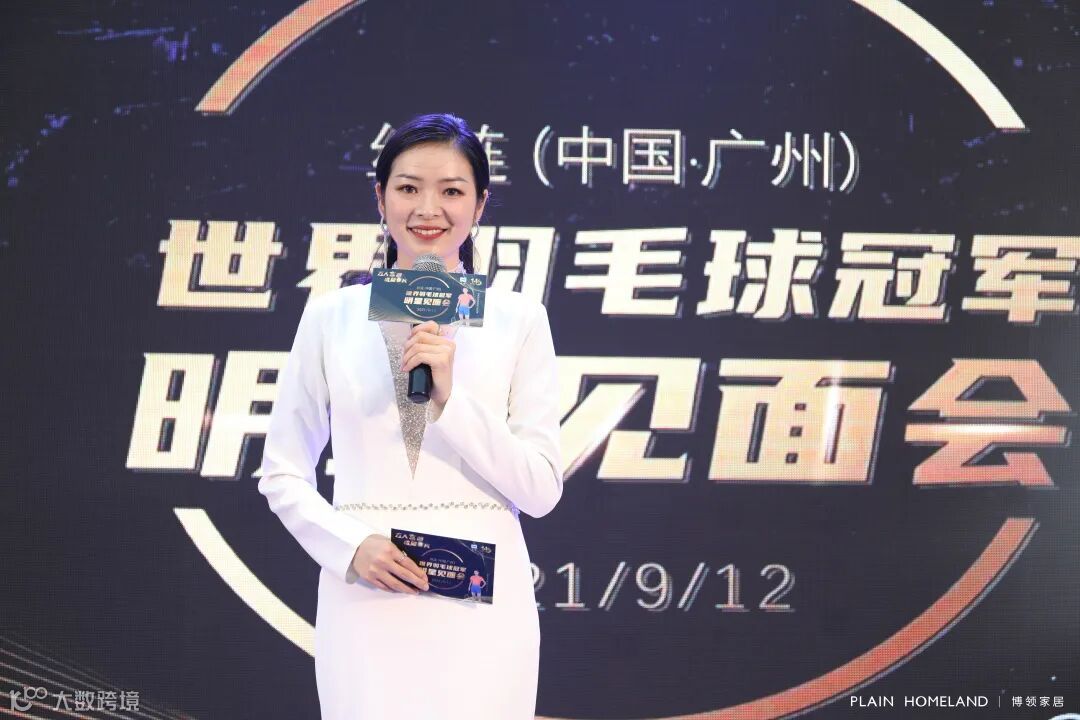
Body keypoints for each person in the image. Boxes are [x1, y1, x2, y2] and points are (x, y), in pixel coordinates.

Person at [257, 113, 563, 720]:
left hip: (482, 607)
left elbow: (541, 489)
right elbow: (281, 473)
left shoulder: (518, 320)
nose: (428, 208)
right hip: (366, 597)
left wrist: (452, 401)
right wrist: (349, 546)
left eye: (451, 190)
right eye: (408, 187)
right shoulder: (332, 317)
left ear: (479, 205)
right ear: (381, 199)